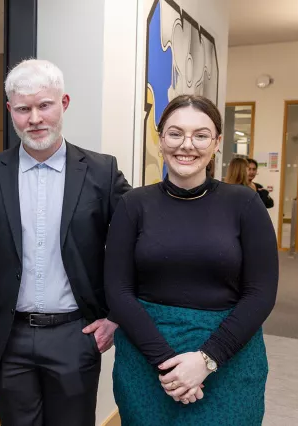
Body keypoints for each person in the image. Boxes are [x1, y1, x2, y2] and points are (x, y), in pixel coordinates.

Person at [0, 59, 131, 426]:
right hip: (9, 338)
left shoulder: (101, 172)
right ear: (10, 111)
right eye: (23, 109)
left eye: (44, 105)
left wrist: (117, 317)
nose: (34, 118)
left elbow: (132, 247)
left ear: (64, 103)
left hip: (75, 334)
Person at [105, 95, 278, 425]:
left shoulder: (244, 204)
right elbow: (118, 291)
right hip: (146, 357)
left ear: (216, 143)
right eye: (175, 133)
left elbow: (261, 293)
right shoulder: (133, 205)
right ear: (161, 139)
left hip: (229, 357)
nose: (187, 145)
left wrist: (206, 360)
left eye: (201, 135)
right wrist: (167, 363)